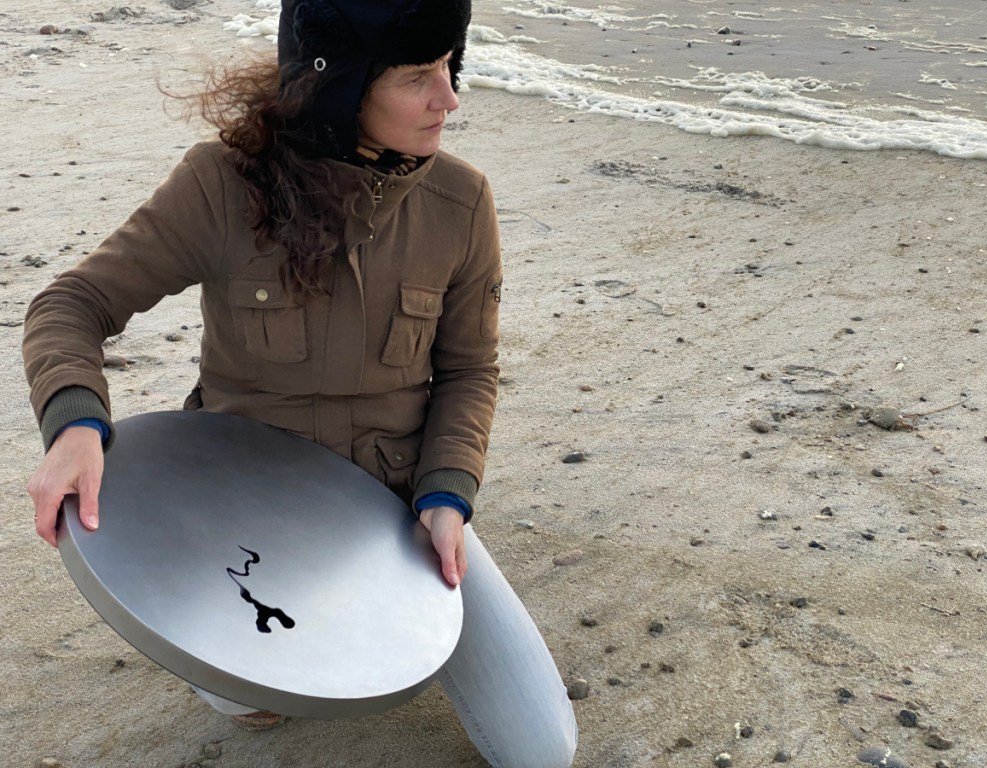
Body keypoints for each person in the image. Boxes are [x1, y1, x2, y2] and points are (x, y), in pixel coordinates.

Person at [22, 0, 578, 764]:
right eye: (418, 76)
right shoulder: (221, 184)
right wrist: (75, 424)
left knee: (539, 749)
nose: (449, 98)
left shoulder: (461, 203)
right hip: (240, 507)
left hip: (395, 509)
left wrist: (447, 496)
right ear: (340, 85)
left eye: (451, 66)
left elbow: (468, 370)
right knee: (247, 694)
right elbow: (71, 303)